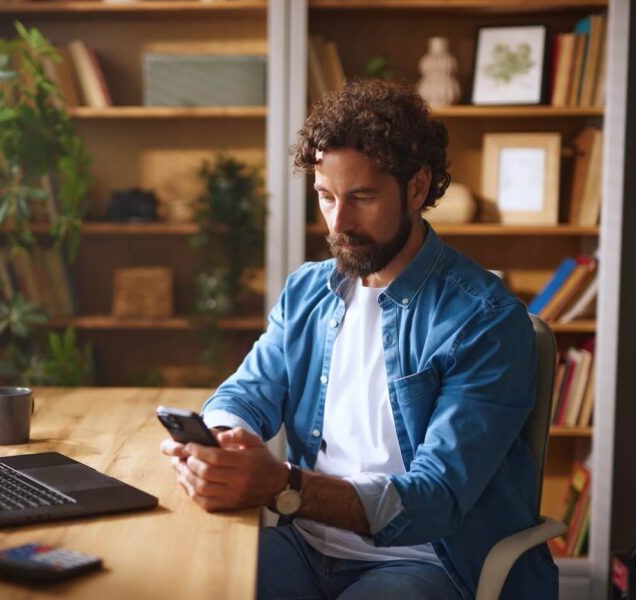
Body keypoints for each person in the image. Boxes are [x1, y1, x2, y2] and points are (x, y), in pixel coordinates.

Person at [160, 79, 558, 599]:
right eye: (326, 197)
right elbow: (246, 393)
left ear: (417, 188)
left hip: (424, 562)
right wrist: (221, 441)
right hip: (303, 543)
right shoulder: (308, 290)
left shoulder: (483, 320)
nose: (339, 223)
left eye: (362, 197)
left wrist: (281, 485)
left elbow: (435, 498)